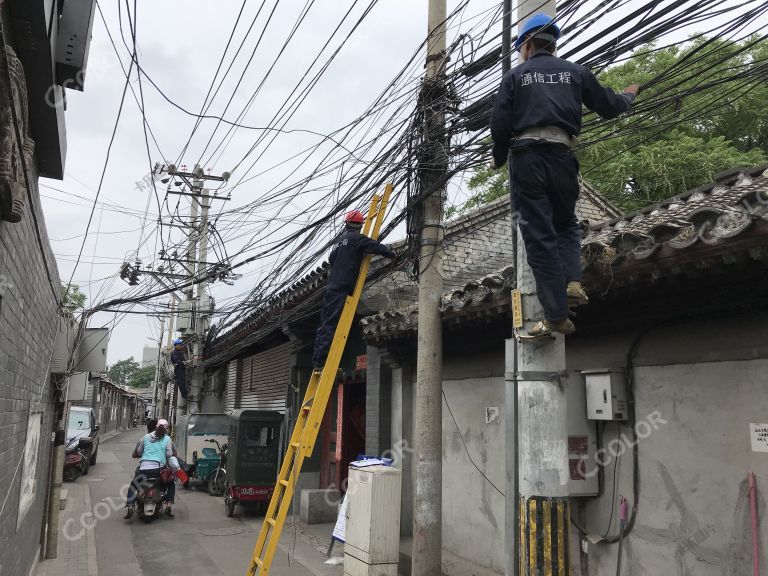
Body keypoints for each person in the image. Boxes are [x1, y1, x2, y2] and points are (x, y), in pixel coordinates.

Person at [490, 13, 639, 337]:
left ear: (527, 45)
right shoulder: (576, 72)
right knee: (566, 224)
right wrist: (629, 95)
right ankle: (573, 283)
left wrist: (499, 159)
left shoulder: (515, 76)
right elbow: (611, 105)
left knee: (539, 235)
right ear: (553, 44)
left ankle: (556, 315)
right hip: (562, 156)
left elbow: (499, 125)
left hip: (527, 158)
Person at [312, 210, 395, 370]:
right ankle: (322, 364)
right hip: (343, 286)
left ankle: (318, 361)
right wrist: (391, 254)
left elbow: (331, 259)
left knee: (325, 325)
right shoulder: (357, 239)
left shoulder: (338, 242)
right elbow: (375, 246)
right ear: (359, 226)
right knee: (332, 326)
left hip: (331, 288)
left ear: (347, 224)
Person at [124, 419, 177, 519]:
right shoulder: (167, 439)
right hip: (159, 469)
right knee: (171, 484)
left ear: (156, 426)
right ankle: (168, 506)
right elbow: (170, 454)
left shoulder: (146, 437)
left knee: (133, 485)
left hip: (143, 470)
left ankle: (130, 506)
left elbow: (139, 453)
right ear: (167, 429)